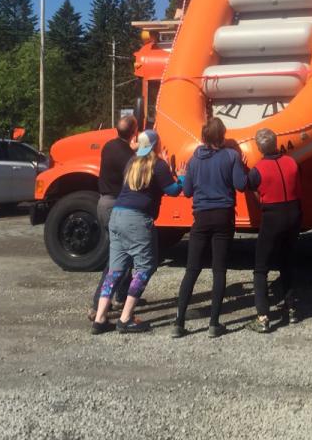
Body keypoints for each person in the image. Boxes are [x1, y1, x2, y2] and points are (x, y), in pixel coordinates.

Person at [91, 129, 180, 334]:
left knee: (115, 270)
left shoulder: (132, 162)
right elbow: (173, 191)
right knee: (145, 268)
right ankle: (126, 318)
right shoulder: (158, 165)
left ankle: (100, 318)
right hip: (137, 220)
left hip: (117, 216)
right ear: (156, 145)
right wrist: (180, 177)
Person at [172, 118, 248, 339]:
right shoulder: (231, 156)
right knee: (219, 269)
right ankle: (214, 323)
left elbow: (186, 192)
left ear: (204, 136)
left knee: (192, 269)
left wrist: (183, 176)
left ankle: (179, 322)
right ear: (222, 135)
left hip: (201, 216)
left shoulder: (194, 159)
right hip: (223, 215)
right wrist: (242, 165)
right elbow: (241, 185)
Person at [245, 128, 303, 333]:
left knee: (261, 268)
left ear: (259, 147)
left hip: (272, 217)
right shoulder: (292, 162)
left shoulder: (258, 169)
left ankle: (263, 317)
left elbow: (246, 185)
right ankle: (292, 308)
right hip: (294, 214)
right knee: (286, 262)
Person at [88, 115, 138, 321]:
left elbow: (122, 153)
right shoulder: (130, 157)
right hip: (117, 207)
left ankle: (121, 296)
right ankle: (98, 304)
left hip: (103, 203)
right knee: (116, 258)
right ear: (134, 132)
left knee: (124, 255)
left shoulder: (109, 146)